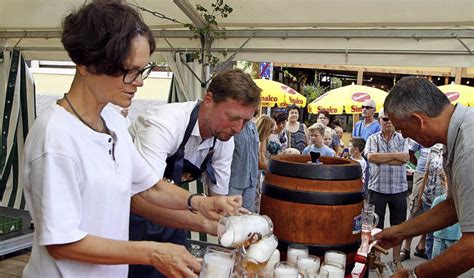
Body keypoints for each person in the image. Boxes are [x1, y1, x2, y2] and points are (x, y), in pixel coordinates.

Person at [21, 2, 241, 277]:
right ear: (86, 65)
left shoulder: (113, 120)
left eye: (142, 70)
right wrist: (152, 252)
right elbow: (61, 243)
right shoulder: (55, 138)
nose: (139, 81)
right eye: (129, 70)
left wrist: (199, 203)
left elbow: (148, 186)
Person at [128, 68, 261, 277]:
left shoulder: (224, 139)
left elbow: (219, 203)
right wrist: (202, 209)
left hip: (172, 215)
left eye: (245, 121)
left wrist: (237, 232)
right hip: (130, 215)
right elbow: (145, 192)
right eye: (233, 117)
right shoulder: (164, 123)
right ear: (208, 100)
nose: (238, 128)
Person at [374, 76, 474, 277]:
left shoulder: (468, 146)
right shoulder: (456, 134)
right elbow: (453, 206)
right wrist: (400, 231)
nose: (402, 136)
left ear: (418, 120)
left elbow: (471, 245)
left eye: (401, 128)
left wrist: (414, 275)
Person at [365, 108, 409, 271]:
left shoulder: (403, 138)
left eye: (391, 119)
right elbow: (371, 157)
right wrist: (394, 156)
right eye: (385, 119)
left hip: (399, 189)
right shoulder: (372, 138)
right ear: (379, 121)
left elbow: (404, 159)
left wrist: (382, 158)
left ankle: (396, 260)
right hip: (377, 188)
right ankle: (376, 259)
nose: (388, 121)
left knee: (399, 227)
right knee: (376, 226)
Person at [400, 139, 431, 261]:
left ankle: (421, 246)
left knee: (433, 210)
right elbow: (410, 151)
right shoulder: (424, 126)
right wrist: (419, 164)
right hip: (422, 172)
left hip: (441, 173)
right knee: (415, 209)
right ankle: (406, 247)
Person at [416, 143, 447, 260]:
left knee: (442, 234)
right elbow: (426, 174)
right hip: (429, 197)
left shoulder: (451, 150)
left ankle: (441, 264)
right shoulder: (433, 149)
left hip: (444, 199)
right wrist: (420, 195)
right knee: (430, 233)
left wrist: (445, 179)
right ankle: (431, 261)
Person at [228, 120, 259, 212]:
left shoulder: (253, 126)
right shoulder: (232, 126)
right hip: (234, 180)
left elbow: (256, 151)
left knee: (248, 216)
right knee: (231, 214)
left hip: (251, 179)